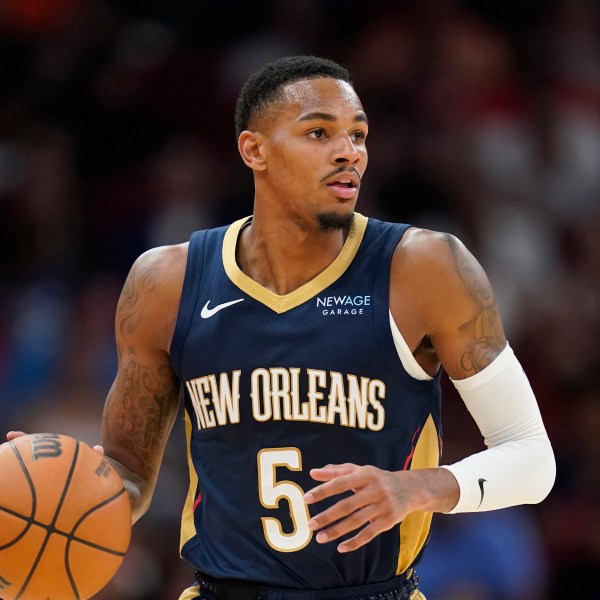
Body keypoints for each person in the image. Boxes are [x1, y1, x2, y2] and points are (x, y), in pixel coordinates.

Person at [7, 55, 556, 600]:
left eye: (358, 136)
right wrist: (52, 485)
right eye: (319, 132)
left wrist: (417, 487)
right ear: (254, 150)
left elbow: (533, 457)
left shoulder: (424, 268)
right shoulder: (167, 282)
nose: (348, 152)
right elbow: (127, 476)